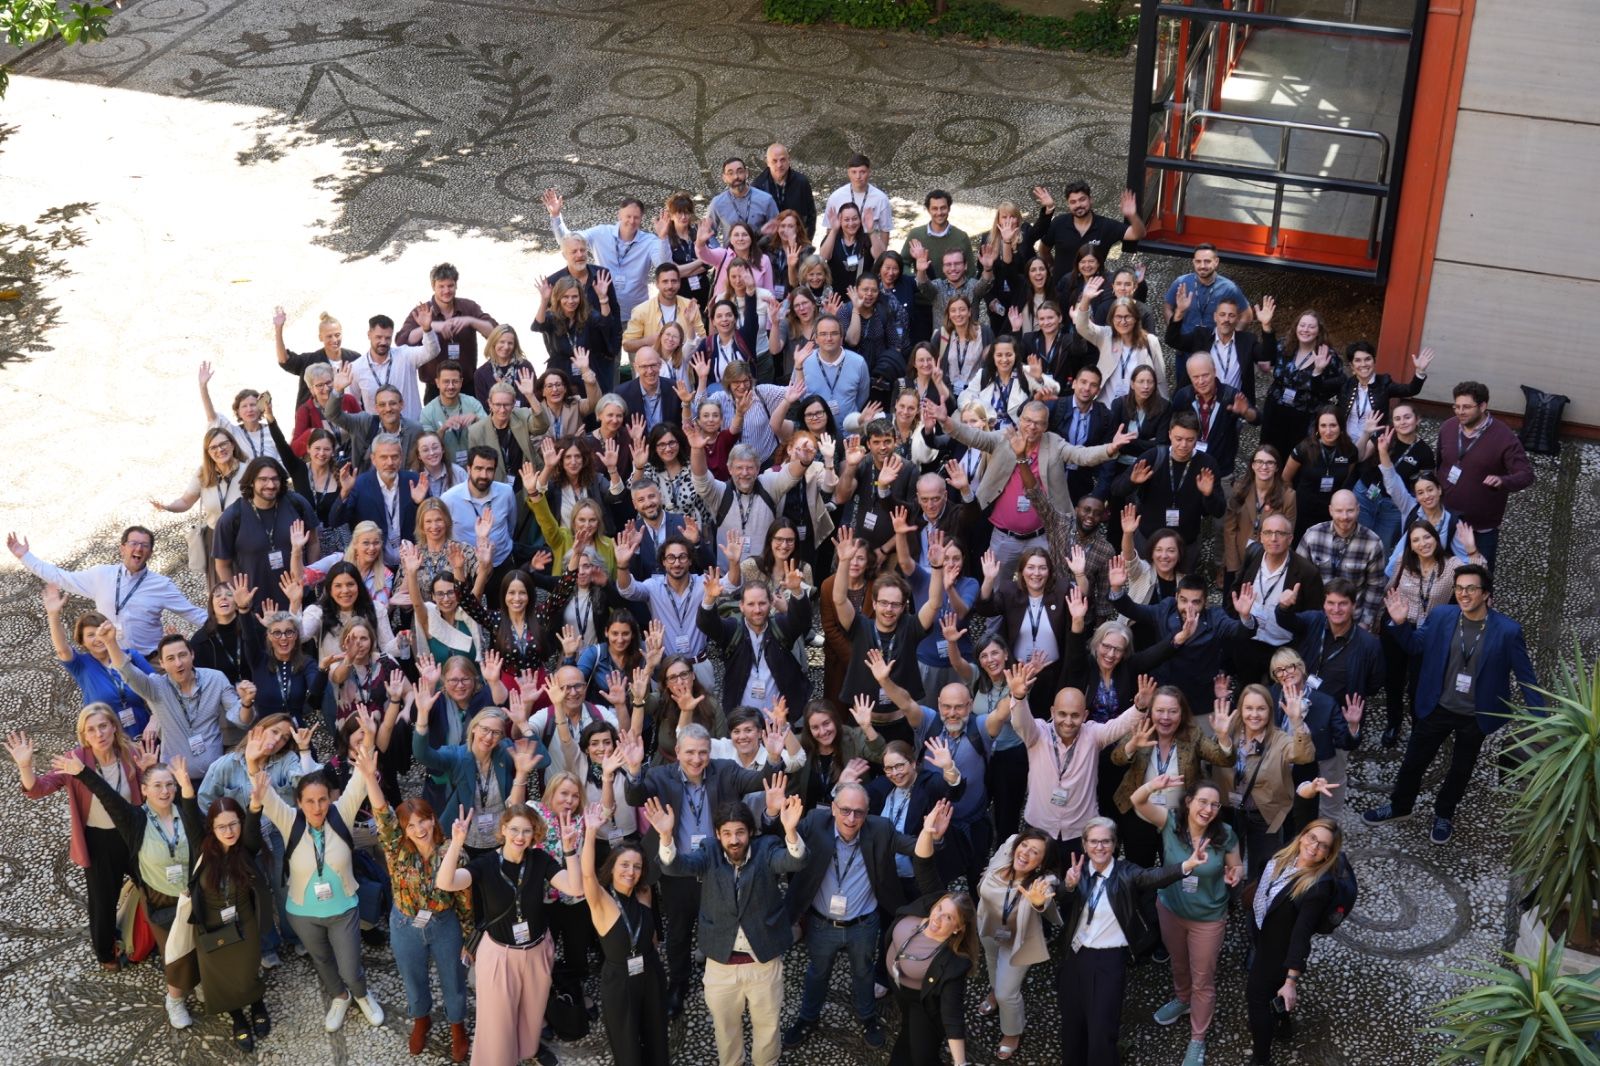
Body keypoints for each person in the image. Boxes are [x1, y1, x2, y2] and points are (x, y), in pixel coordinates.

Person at [1366, 564, 1540, 844]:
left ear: (1485, 594)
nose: (1463, 594)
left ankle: (1444, 814)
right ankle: (1400, 807)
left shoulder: (1508, 631)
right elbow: (1414, 646)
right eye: (1459, 588)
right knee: (1413, 763)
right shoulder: (1442, 616)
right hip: (1438, 707)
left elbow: (1526, 677)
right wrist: (1399, 624)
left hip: (1476, 714)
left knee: (1460, 769)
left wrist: (1541, 719)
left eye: (1471, 588)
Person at [621, 724, 780, 1018]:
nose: (697, 759)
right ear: (678, 752)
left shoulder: (726, 771)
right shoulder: (659, 775)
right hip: (677, 868)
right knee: (679, 931)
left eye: (703, 752)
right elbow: (635, 796)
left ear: (710, 752)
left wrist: (772, 757)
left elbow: (763, 780)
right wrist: (633, 770)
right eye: (690, 752)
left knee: (719, 923)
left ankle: (719, 978)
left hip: (717, 869)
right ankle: (679, 984)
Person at [645, 787, 806, 1066]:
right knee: (725, 1031)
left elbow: (794, 860)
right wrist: (666, 836)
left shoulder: (767, 848)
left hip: (763, 963)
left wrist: (790, 831)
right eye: (728, 834)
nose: (734, 840)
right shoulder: (708, 851)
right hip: (720, 965)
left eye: (740, 833)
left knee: (768, 1029)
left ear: (751, 832)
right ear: (718, 834)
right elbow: (675, 866)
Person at [437, 802, 584, 1066]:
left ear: (534, 833)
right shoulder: (486, 864)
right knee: (496, 1024)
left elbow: (574, 887)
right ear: (503, 829)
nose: (520, 837)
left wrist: (570, 849)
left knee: (530, 1015)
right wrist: (457, 843)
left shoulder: (539, 860)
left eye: (527, 831)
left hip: (537, 951)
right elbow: (446, 882)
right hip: (500, 956)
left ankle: (527, 1051)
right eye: (514, 829)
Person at [1053, 815, 1207, 1066]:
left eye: (1105, 841)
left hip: (1108, 959)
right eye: (1093, 841)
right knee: (1072, 1024)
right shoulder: (1077, 872)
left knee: (1102, 1029)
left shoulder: (1126, 872)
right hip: (1075, 956)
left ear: (1115, 845)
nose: (1099, 847)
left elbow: (1153, 876)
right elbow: (1059, 898)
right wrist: (1068, 886)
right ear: (1084, 844)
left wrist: (1187, 865)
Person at [781, 780, 923, 1052]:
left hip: (863, 925)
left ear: (867, 812)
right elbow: (780, 836)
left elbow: (914, 847)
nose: (851, 818)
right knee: (817, 972)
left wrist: (933, 835)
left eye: (859, 812)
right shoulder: (814, 823)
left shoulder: (880, 829)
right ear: (833, 808)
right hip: (822, 924)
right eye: (845, 810)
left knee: (864, 972)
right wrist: (775, 814)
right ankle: (807, 1018)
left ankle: (868, 1018)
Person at [66, 750, 203, 1030]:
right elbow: (108, 796)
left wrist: (187, 791)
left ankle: (199, 981)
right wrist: (82, 772)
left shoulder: (186, 812)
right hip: (161, 901)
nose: (165, 791)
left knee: (201, 943)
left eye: (170, 785)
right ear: (143, 790)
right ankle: (175, 999)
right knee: (174, 953)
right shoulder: (134, 819)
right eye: (157, 785)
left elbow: (202, 842)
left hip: (194, 895)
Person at [5, 707, 144, 968]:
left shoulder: (130, 753)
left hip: (133, 836)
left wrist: (148, 770)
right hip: (99, 842)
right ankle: (105, 954)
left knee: (152, 887)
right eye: (91, 729)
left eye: (103, 726)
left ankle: (150, 937)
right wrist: (25, 767)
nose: (99, 733)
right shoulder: (75, 760)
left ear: (114, 727)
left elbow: (148, 791)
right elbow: (38, 789)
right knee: (103, 903)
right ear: (84, 735)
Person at [254, 761, 386, 1032]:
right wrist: (253, 763)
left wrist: (368, 744)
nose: (317, 807)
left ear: (330, 799)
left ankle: (361, 994)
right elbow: (264, 793)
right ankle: (340, 996)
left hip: (343, 910)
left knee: (350, 968)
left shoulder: (341, 814)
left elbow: (359, 781)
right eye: (310, 801)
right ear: (299, 803)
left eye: (323, 799)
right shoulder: (289, 821)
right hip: (303, 913)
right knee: (322, 960)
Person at [1129, 777, 1242, 1066]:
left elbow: (1236, 864)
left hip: (1208, 918)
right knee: (1178, 963)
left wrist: (1235, 874)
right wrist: (1154, 784)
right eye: (1203, 801)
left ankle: (1197, 1039)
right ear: (1189, 801)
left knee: (1202, 979)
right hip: (1170, 909)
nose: (1208, 809)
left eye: (1215, 805)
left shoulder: (1225, 833)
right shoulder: (1169, 823)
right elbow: (1136, 801)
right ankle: (1182, 1000)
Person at [10, 526, 206, 657]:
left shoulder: (161, 584)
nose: (138, 548)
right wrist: (26, 557)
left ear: (150, 553)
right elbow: (62, 578)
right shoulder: (101, 575)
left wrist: (230, 621)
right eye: (133, 543)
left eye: (144, 545)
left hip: (151, 660)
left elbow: (193, 613)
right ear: (123, 548)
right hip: (113, 659)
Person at [883, 800, 976, 1066]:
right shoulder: (930, 904)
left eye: (949, 917)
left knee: (922, 1056)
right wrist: (927, 831)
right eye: (939, 909)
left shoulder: (954, 962)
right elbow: (923, 864)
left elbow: (953, 1017)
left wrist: (960, 1063)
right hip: (899, 987)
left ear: (958, 927)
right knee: (907, 1036)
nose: (938, 917)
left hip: (923, 1002)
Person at [578, 798, 668, 1066]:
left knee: (656, 1036)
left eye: (636, 867)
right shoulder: (602, 900)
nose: (631, 872)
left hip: (650, 971)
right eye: (625, 865)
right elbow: (586, 877)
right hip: (619, 980)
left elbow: (649, 931)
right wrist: (591, 833)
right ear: (613, 868)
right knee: (626, 1043)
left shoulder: (644, 893)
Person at [1246, 820, 1344, 1065]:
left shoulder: (1315, 889)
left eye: (1323, 846)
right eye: (1312, 838)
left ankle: (1261, 1060)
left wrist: (1291, 981)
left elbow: (1301, 935)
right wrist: (1309, 791)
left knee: (1257, 999)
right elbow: (1301, 811)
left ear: (1328, 855)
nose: (1314, 847)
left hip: (1277, 951)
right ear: (1302, 836)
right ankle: (1284, 1024)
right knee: (1274, 991)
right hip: (1264, 934)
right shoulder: (1285, 857)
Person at [102, 625, 251, 776]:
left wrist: (246, 703)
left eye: (182, 655)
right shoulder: (155, 687)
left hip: (216, 777)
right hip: (175, 781)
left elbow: (240, 720)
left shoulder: (215, 679)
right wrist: (110, 643)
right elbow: (129, 672)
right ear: (162, 663)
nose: (178, 663)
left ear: (192, 654)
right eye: (170, 658)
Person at [1212, 683, 1315, 880]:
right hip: (1230, 810)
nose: (1255, 714)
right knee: (1229, 861)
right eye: (1249, 708)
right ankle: (1230, 899)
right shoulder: (1227, 732)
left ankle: (1255, 902)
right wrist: (1222, 738)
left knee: (1264, 865)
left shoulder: (1280, 739)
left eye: (1261, 708)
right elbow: (1214, 759)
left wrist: (1297, 723)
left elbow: (1304, 756)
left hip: (1267, 813)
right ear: (1240, 709)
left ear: (1270, 711)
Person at [974, 828, 1059, 1061]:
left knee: (1007, 993)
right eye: (1024, 846)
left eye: (1035, 852)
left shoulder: (1043, 882)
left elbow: (1044, 900)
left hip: (1017, 941)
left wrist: (1039, 904)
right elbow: (1012, 841)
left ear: (1041, 864)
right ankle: (992, 991)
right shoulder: (1006, 854)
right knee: (991, 962)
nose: (1025, 853)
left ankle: (1012, 1032)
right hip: (988, 925)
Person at [1435, 381, 1533, 570]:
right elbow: (1440, 463)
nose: (1460, 412)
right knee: (1440, 572)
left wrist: (1503, 481)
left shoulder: (1504, 437)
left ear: (1483, 406)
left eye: (1466, 407)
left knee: (1480, 577)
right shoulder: (1447, 428)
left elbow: (1526, 475)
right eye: (1457, 406)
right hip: (1445, 517)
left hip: (1480, 527)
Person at [38, 585, 156, 734]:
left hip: (145, 735)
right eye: (91, 635)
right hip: (106, 741)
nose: (98, 638)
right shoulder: (81, 664)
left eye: (101, 631)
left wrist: (155, 720)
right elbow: (62, 650)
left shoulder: (131, 656)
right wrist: (53, 615)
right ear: (82, 641)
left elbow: (159, 688)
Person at [1232, 512, 1324, 684]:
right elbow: (1235, 590)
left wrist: (1286, 611)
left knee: (1280, 698)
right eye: (1268, 532)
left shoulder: (1307, 572)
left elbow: (1314, 621)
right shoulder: (1252, 555)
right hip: (1251, 640)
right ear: (1260, 537)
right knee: (1247, 692)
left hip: (1284, 646)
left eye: (1280, 533)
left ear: (1290, 539)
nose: (1273, 538)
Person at [212, 456, 319, 594]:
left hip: (299, 598)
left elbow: (313, 542)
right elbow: (222, 565)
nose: (271, 485)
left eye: (275, 479)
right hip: (255, 605)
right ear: (251, 482)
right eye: (263, 479)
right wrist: (237, 598)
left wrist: (309, 582)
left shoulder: (297, 504)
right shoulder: (232, 517)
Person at [545, 191, 654, 319]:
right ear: (619, 215)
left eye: (636, 217)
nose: (631, 221)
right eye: (628, 216)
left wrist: (663, 238)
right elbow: (569, 241)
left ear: (642, 218)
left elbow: (665, 264)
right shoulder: (601, 233)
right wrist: (556, 216)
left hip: (636, 315)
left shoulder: (649, 241)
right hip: (604, 311)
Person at [1258, 301, 1344, 457]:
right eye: (1302, 325)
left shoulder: (1328, 357)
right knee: (1269, 454)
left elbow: (1334, 389)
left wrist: (1318, 372)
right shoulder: (1284, 346)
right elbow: (1267, 358)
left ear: (1319, 331)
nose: (1305, 330)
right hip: (1276, 411)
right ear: (1296, 327)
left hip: (1305, 418)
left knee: (1297, 458)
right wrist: (1266, 326)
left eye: (1311, 327)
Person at [1295, 490, 1388, 629]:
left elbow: (1375, 587)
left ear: (1358, 510)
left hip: (1352, 620)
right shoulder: (1312, 535)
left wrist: (1365, 622)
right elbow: (1298, 576)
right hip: (1315, 617)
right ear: (1330, 510)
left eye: (1350, 511)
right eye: (1339, 511)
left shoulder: (1373, 543)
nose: (1344, 517)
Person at [1072, 276, 1164, 407]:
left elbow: (1160, 380)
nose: (1123, 321)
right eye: (1118, 317)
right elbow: (1082, 327)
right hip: (1106, 407)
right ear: (1112, 319)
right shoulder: (1106, 336)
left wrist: (1165, 409)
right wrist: (1086, 299)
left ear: (1136, 319)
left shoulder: (1150, 341)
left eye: (1128, 317)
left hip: (1138, 408)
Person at [1032, 182, 1146, 280]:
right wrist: (1052, 268)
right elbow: (1044, 249)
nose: (1078, 205)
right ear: (1068, 204)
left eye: (1082, 199)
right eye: (1073, 202)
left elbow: (1138, 234)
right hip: (1061, 289)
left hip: (1094, 288)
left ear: (1090, 200)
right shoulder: (1059, 223)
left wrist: (1132, 215)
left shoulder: (1105, 226)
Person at [1166, 288, 1260, 398]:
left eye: (1231, 315)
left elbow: (1268, 356)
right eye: (1222, 314)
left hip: (1234, 406)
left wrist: (1266, 326)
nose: (1226, 319)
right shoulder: (1200, 336)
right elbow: (1172, 340)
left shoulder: (1247, 340)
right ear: (1215, 317)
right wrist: (1179, 312)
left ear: (1238, 319)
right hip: (1200, 404)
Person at [274, 305, 360, 408]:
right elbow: (284, 360)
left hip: (350, 418)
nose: (334, 340)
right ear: (320, 337)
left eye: (337, 335)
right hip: (317, 420)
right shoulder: (310, 361)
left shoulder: (355, 358)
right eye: (329, 336)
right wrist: (278, 329)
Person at [823, 153, 892, 256]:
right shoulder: (836, 197)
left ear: (869, 172)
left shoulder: (881, 198)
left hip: (869, 246)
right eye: (854, 172)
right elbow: (829, 228)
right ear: (848, 173)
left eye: (862, 172)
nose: (858, 176)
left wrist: (881, 259)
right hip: (843, 245)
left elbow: (885, 231)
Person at [706, 156, 779, 244]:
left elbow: (777, 228)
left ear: (747, 173)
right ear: (724, 178)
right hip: (732, 256)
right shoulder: (717, 203)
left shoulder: (766, 199)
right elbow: (708, 233)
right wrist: (720, 254)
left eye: (740, 172)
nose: (736, 176)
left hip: (761, 253)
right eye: (730, 173)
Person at [752, 142, 816, 239]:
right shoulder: (758, 185)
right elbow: (756, 221)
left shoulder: (802, 182)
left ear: (789, 159)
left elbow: (811, 215)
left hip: (797, 240)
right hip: (770, 243)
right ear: (767, 162)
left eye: (783, 160)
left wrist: (806, 242)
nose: (779, 165)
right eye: (774, 161)